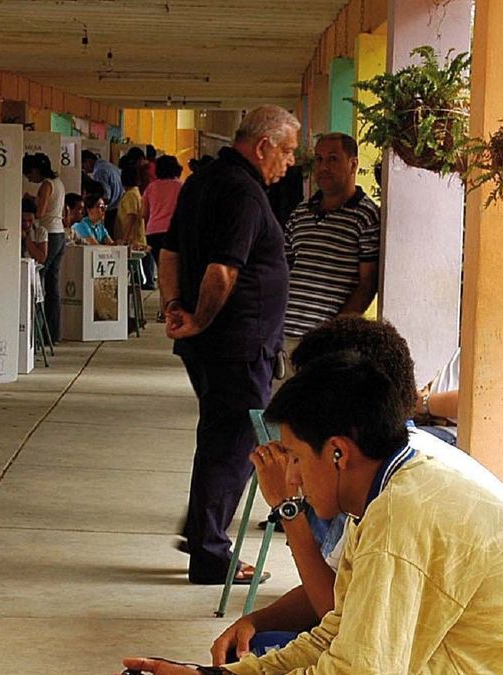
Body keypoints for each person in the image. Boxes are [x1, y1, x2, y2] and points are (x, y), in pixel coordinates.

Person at [123, 353, 503, 675]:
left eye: (293, 457)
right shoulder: (393, 488)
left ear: (337, 453)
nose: (289, 478)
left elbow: (359, 669)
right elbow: (338, 630)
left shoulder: (405, 514)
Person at [215, 316, 503, 661]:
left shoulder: (398, 505)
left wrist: (288, 506)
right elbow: (344, 609)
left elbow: (350, 642)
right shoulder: (389, 470)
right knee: (255, 652)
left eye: (295, 457)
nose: (292, 475)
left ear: (339, 445)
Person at [162, 105, 300, 585]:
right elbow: (223, 270)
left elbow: (171, 252)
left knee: (221, 437)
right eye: (285, 152)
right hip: (238, 344)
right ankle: (210, 552)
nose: (288, 163)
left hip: (216, 345)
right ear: (262, 146)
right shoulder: (243, 192)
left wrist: (173, 307)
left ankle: (204, 531)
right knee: (234, 445)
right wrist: (196, 319)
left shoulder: (202, 181)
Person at [280, 133, 380, 365]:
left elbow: (367, 284)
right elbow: (283, 269)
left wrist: (333, 334)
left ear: (353, 163)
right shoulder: (301, 213)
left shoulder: (366, 217)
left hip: (323, 345)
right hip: (280, 338)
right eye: (319, 159)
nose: (323, 167)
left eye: (333, 159)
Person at [23, 153, 67, 339]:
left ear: (35, 170)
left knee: (39, 283)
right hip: (60, 233)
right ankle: (53, 332)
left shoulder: (47, 185)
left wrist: (31, 201)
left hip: (48, 234)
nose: (29, 178)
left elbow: (40, 212)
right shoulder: (59, 183)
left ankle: (38, 332)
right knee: (52, 285)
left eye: (29, 174)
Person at [142, 155, 183, 311]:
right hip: (173, 232)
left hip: (153, 232)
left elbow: (144, 213)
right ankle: (168, 306)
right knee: (174, 269)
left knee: (161, 269)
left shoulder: (151, 187)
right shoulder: (180, 186)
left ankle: (162, 308)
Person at [82, 149, 123, 234]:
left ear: (88, 161)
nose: (85, 170)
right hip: (120, 206)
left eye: (83, 166)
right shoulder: (109, 166)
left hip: (112, 210)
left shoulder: (99, 171)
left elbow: (106, 196)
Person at [20, 198, 47, 265]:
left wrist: (27, 238)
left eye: (30, 220)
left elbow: (41, 258)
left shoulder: (41, 232)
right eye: (23, 220)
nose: (27, 224)